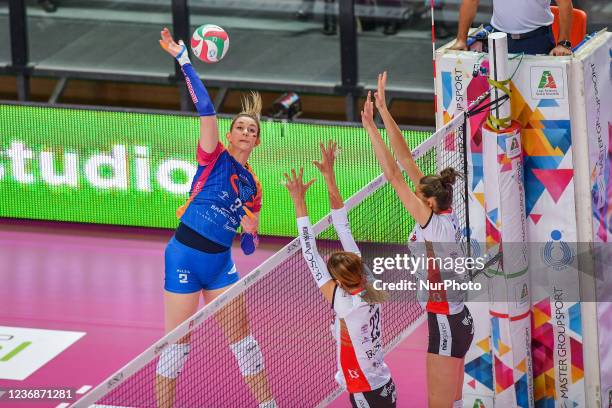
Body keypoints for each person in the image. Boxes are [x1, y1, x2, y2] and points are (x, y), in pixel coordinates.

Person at [155, 28, 276, 408]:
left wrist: (252, 231)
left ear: (257, 142)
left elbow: (251, 243)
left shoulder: (254, 185)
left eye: (251, 129)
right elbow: (205, 108)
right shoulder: (214, 156)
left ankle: (268, 404)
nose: (245, 131)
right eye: (240, 126)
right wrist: (184, 60)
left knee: (245, 341)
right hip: (184, 256)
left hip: (221, 264)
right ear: (230, 133)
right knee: (177, 347)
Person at [362, 72, 474, 408]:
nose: (412, 193)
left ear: (426, 202)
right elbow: (407, 160)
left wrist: (370, 128)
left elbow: (394, 174)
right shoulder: (442, 208)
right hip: (458, 319)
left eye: (416, 193)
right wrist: (384, 111)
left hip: (445, 323)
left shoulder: (432, 226)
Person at [284, 141, 397, 408]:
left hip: (365, 388)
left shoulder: (345, 304)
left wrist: (299, 201)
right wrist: (329, 175)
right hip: (383, 381)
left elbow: (308, 250)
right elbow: (341, 223)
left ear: (338, 281)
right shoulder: (368, 279)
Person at [450, 0, 574, 56]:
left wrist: (563, 44)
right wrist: (461, 39)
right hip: (499, 39)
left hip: (537, 40)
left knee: (535, 101)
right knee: (496, 97)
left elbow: (565, 4)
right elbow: (471, 1)